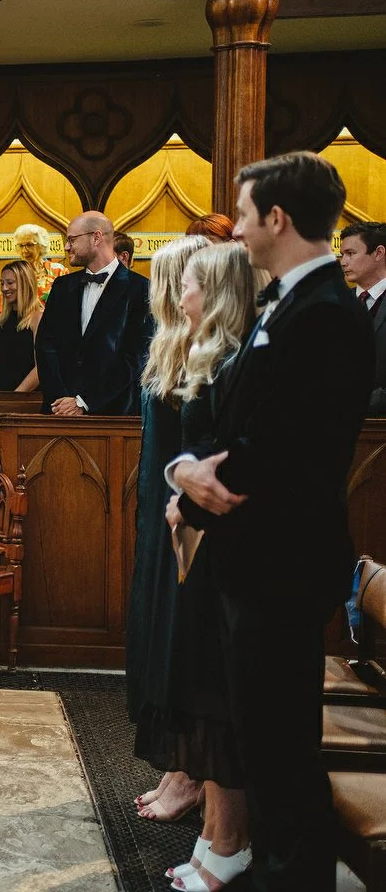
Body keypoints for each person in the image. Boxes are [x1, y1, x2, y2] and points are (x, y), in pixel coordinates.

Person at [166, 152, 373, 890]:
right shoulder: (289, 303)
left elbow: (282, 447)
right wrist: (186, 470)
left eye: (247, 214)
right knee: (263, 742)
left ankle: (293, 878)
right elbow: (236, 421)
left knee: (280, 751)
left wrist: (193, 486)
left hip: (282, 561)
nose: (238, 230)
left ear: (277, 218)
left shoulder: (324, 314)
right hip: (257, 556)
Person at [153, 241, 261, 891]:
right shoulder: (206, 354)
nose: (181, 294)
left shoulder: (235, 362)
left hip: (225, 540)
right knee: (204, 691)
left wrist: (186, 494)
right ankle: (215, 834)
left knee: (219, 697)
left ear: (215, 293)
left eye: (190, 284)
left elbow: (227, 458)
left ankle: (229, 840)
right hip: (199, 533)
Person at [126, 236, 210, 829]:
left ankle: (192, 773)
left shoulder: (204, 350)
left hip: (188, 515)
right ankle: (177, 765)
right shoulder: (169, 343)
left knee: (183, 642)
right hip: (161, 505)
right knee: (158, 633)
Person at [34, 211, 152, 416]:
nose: (67, 247)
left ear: (96, 237)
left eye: (72, 240)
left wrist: (84, 402)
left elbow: (137, 356)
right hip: (58, 411)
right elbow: (45, 345)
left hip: (112, 413)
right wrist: (61, 400)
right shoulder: (63, 286)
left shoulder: (141, 288)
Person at [338, 221, 386, 415]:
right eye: (342, 255)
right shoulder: (336, 303)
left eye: (350, 253)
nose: (343, 262)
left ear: (379, 253)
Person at [0, 260, 43, 393]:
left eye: (10, 283)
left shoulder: (37, 318)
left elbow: (40, 367)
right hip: (0, 397)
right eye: (2, 283)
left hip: (28, 398)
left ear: (25, 284)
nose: (4, 288)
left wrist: (15, 396)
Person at [13, 223, 68, 302]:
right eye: (21, 246)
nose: (24, 250)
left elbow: (69, 302)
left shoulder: (59, 271)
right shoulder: (14, 274)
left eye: (29, 245)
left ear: (41, 245)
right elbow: (5, 307)